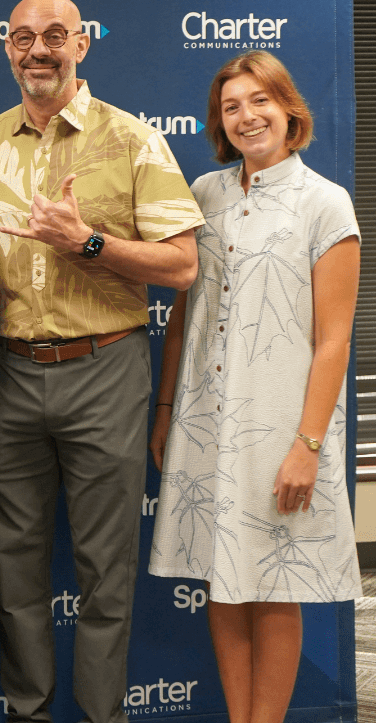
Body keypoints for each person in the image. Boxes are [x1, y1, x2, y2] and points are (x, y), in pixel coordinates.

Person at [0, 0, 203, 723]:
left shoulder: (132, 140)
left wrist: (87, 242)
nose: (40, 50)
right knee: (15, 569)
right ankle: (28, 714)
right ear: (7, 47)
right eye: (25, 37)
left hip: (106, 371)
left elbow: (183, 265)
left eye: (56, 36)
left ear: (82, 44)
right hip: (3, 373)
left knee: (106, 570)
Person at [149, 51, 361, 723]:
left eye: (259, 101)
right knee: (225, 580)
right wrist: (166, 410)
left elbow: (333, 341)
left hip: (282, 426)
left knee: (272, 585)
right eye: (232, 106)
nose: (247, 116)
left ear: (288, 109)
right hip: (207, 420)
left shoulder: (326, 203)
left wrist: (307, 444)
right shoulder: (204, 194)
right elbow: (184, 315)